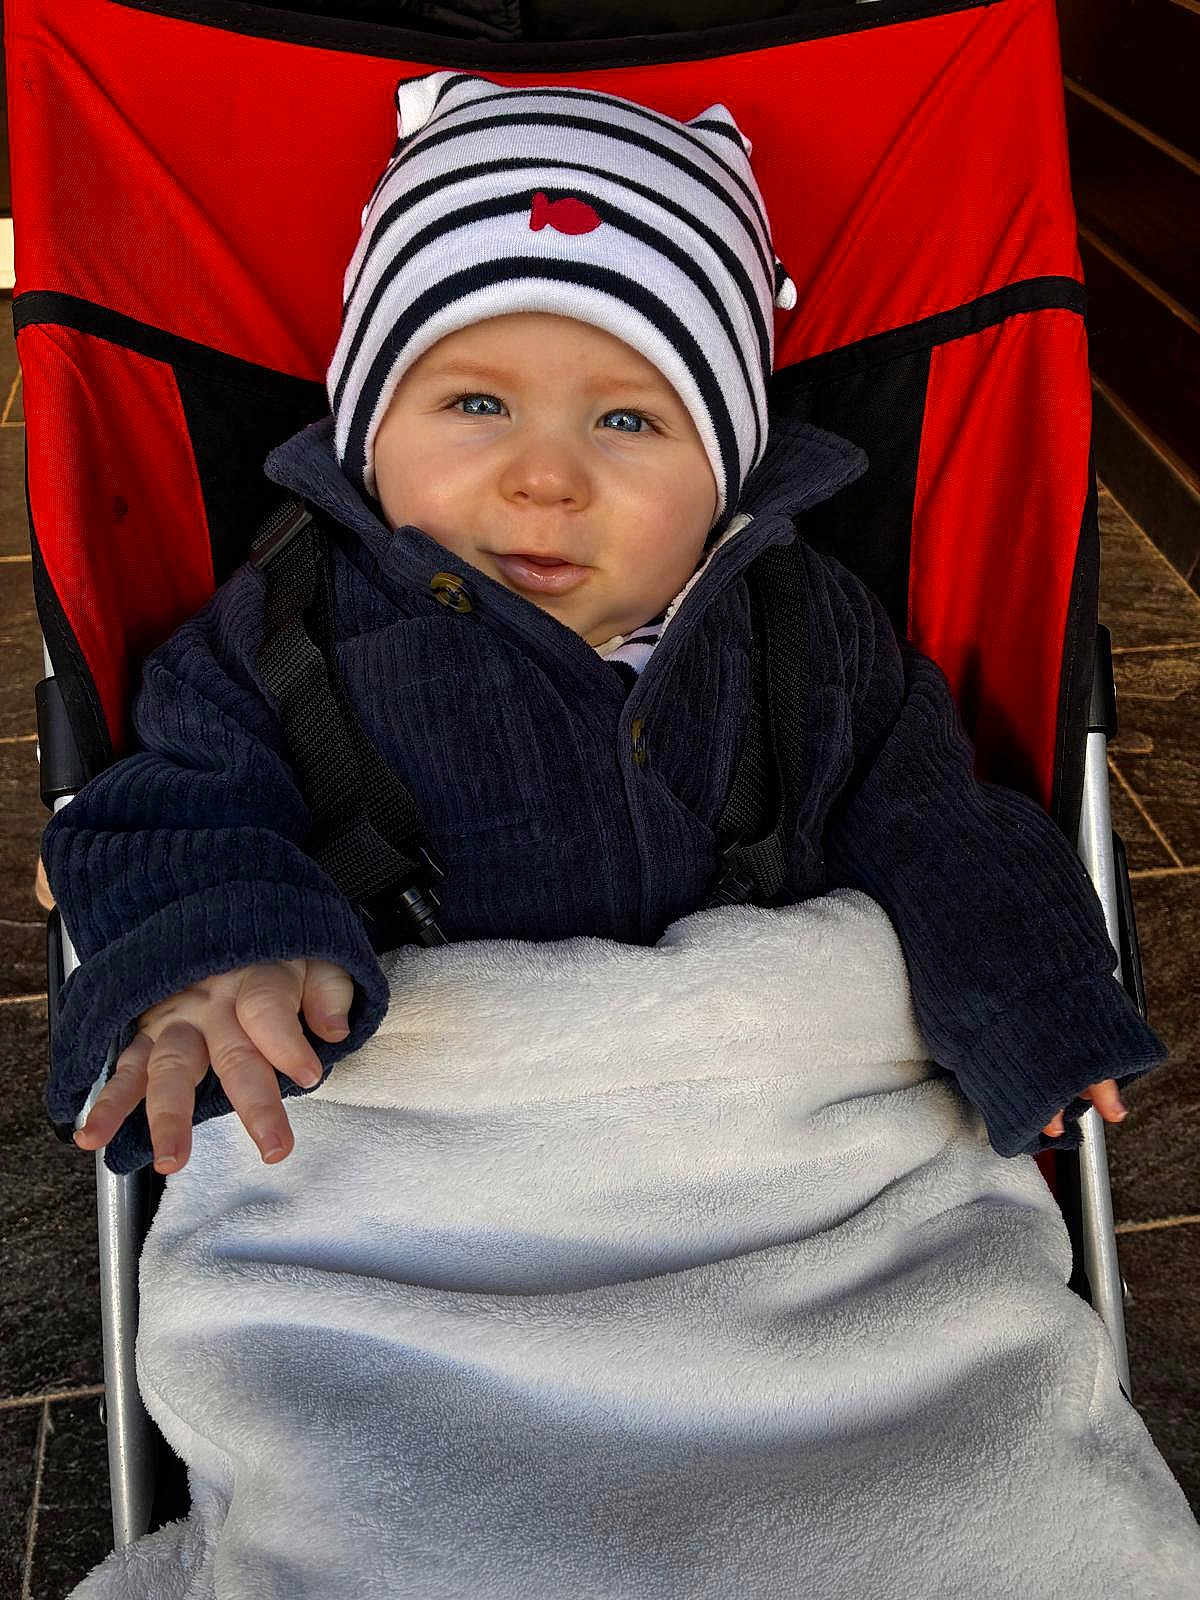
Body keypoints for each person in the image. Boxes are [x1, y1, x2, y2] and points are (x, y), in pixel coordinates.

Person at [42, 71, 1164, 1180]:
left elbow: (939, 828)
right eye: (477, 403)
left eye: (628, 418)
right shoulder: (283, 634)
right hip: (425, 1167)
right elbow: (176, 812)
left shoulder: (808, 629)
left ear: (727, 473)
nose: (545, 478)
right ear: (368, 433)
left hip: (764, 1143)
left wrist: (1040, 1001)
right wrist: (216, 958)